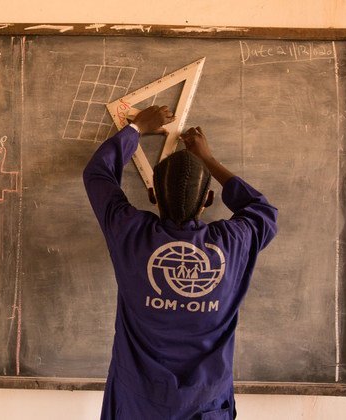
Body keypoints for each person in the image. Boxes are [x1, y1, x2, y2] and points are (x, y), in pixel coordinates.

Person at [83, 105, 278, 419]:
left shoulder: (131, 235)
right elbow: (262, 211)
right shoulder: (233, 243)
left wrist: (136, 129)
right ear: (209, 200)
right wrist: (209, 160)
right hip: (207, 406)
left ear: (152, 195)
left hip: (136, 405)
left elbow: (97, 174)